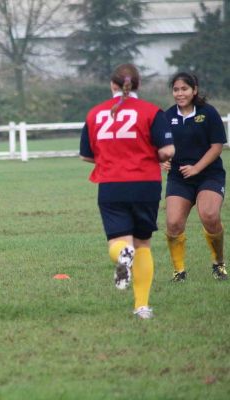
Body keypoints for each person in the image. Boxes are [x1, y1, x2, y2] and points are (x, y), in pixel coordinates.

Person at [79, 63, 175, 319]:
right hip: (146, 184)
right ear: (137, 84)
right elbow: (167, 151)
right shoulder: (152, 112)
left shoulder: (95, 114)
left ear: (112, 85)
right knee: (143, 243)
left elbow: (87, 156)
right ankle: (141, 307)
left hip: (111, 184)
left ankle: (122, 254)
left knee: (119, 241)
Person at [161, 72, 228, 282]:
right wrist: (161, 159)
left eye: (184, 89)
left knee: (209, 216)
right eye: (176, 89)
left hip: (209, 174)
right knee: (173, 223)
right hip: (179, 178)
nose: (180, 93)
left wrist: (197, 168)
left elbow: (217, 146)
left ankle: (218, 264)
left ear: (194, 90)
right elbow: (160, 147)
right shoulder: (167, 116)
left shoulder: (208, 113)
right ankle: (179, 272)